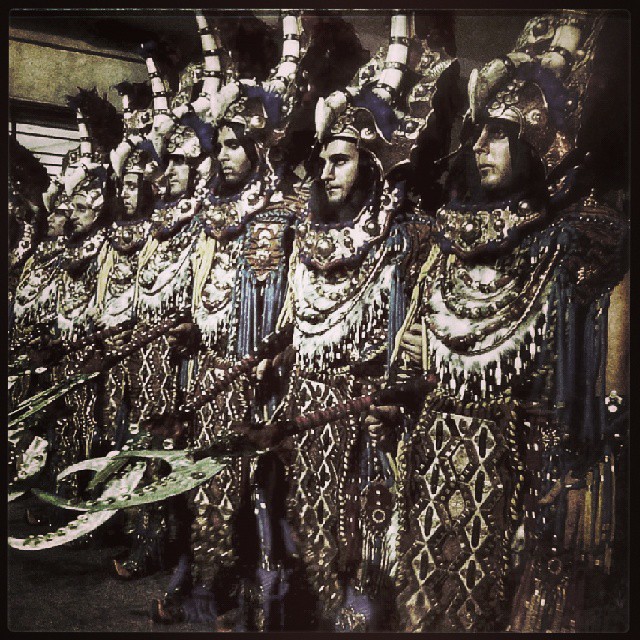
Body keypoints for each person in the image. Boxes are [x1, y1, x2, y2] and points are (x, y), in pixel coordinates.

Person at [390, 11, 628, 632]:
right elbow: (418, 353)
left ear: (534, 144)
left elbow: (573, 383)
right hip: (435, 464)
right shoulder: (444, 244)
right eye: (479, 134)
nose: (479, 147)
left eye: (499, 135)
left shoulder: (569, 245)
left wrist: (569, 471)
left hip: (521, 479)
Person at [246, 13, 457, 630]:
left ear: (369, 166)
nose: (326, 172)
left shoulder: (403, 241)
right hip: (306, 409)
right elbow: (298, 322)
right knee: (298, 518)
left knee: (360, 532)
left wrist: (390, 400)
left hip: (364, 419)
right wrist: (277, 354)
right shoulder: (306, 237)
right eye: (324, 161)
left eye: (341, 161)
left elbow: (413, 336)